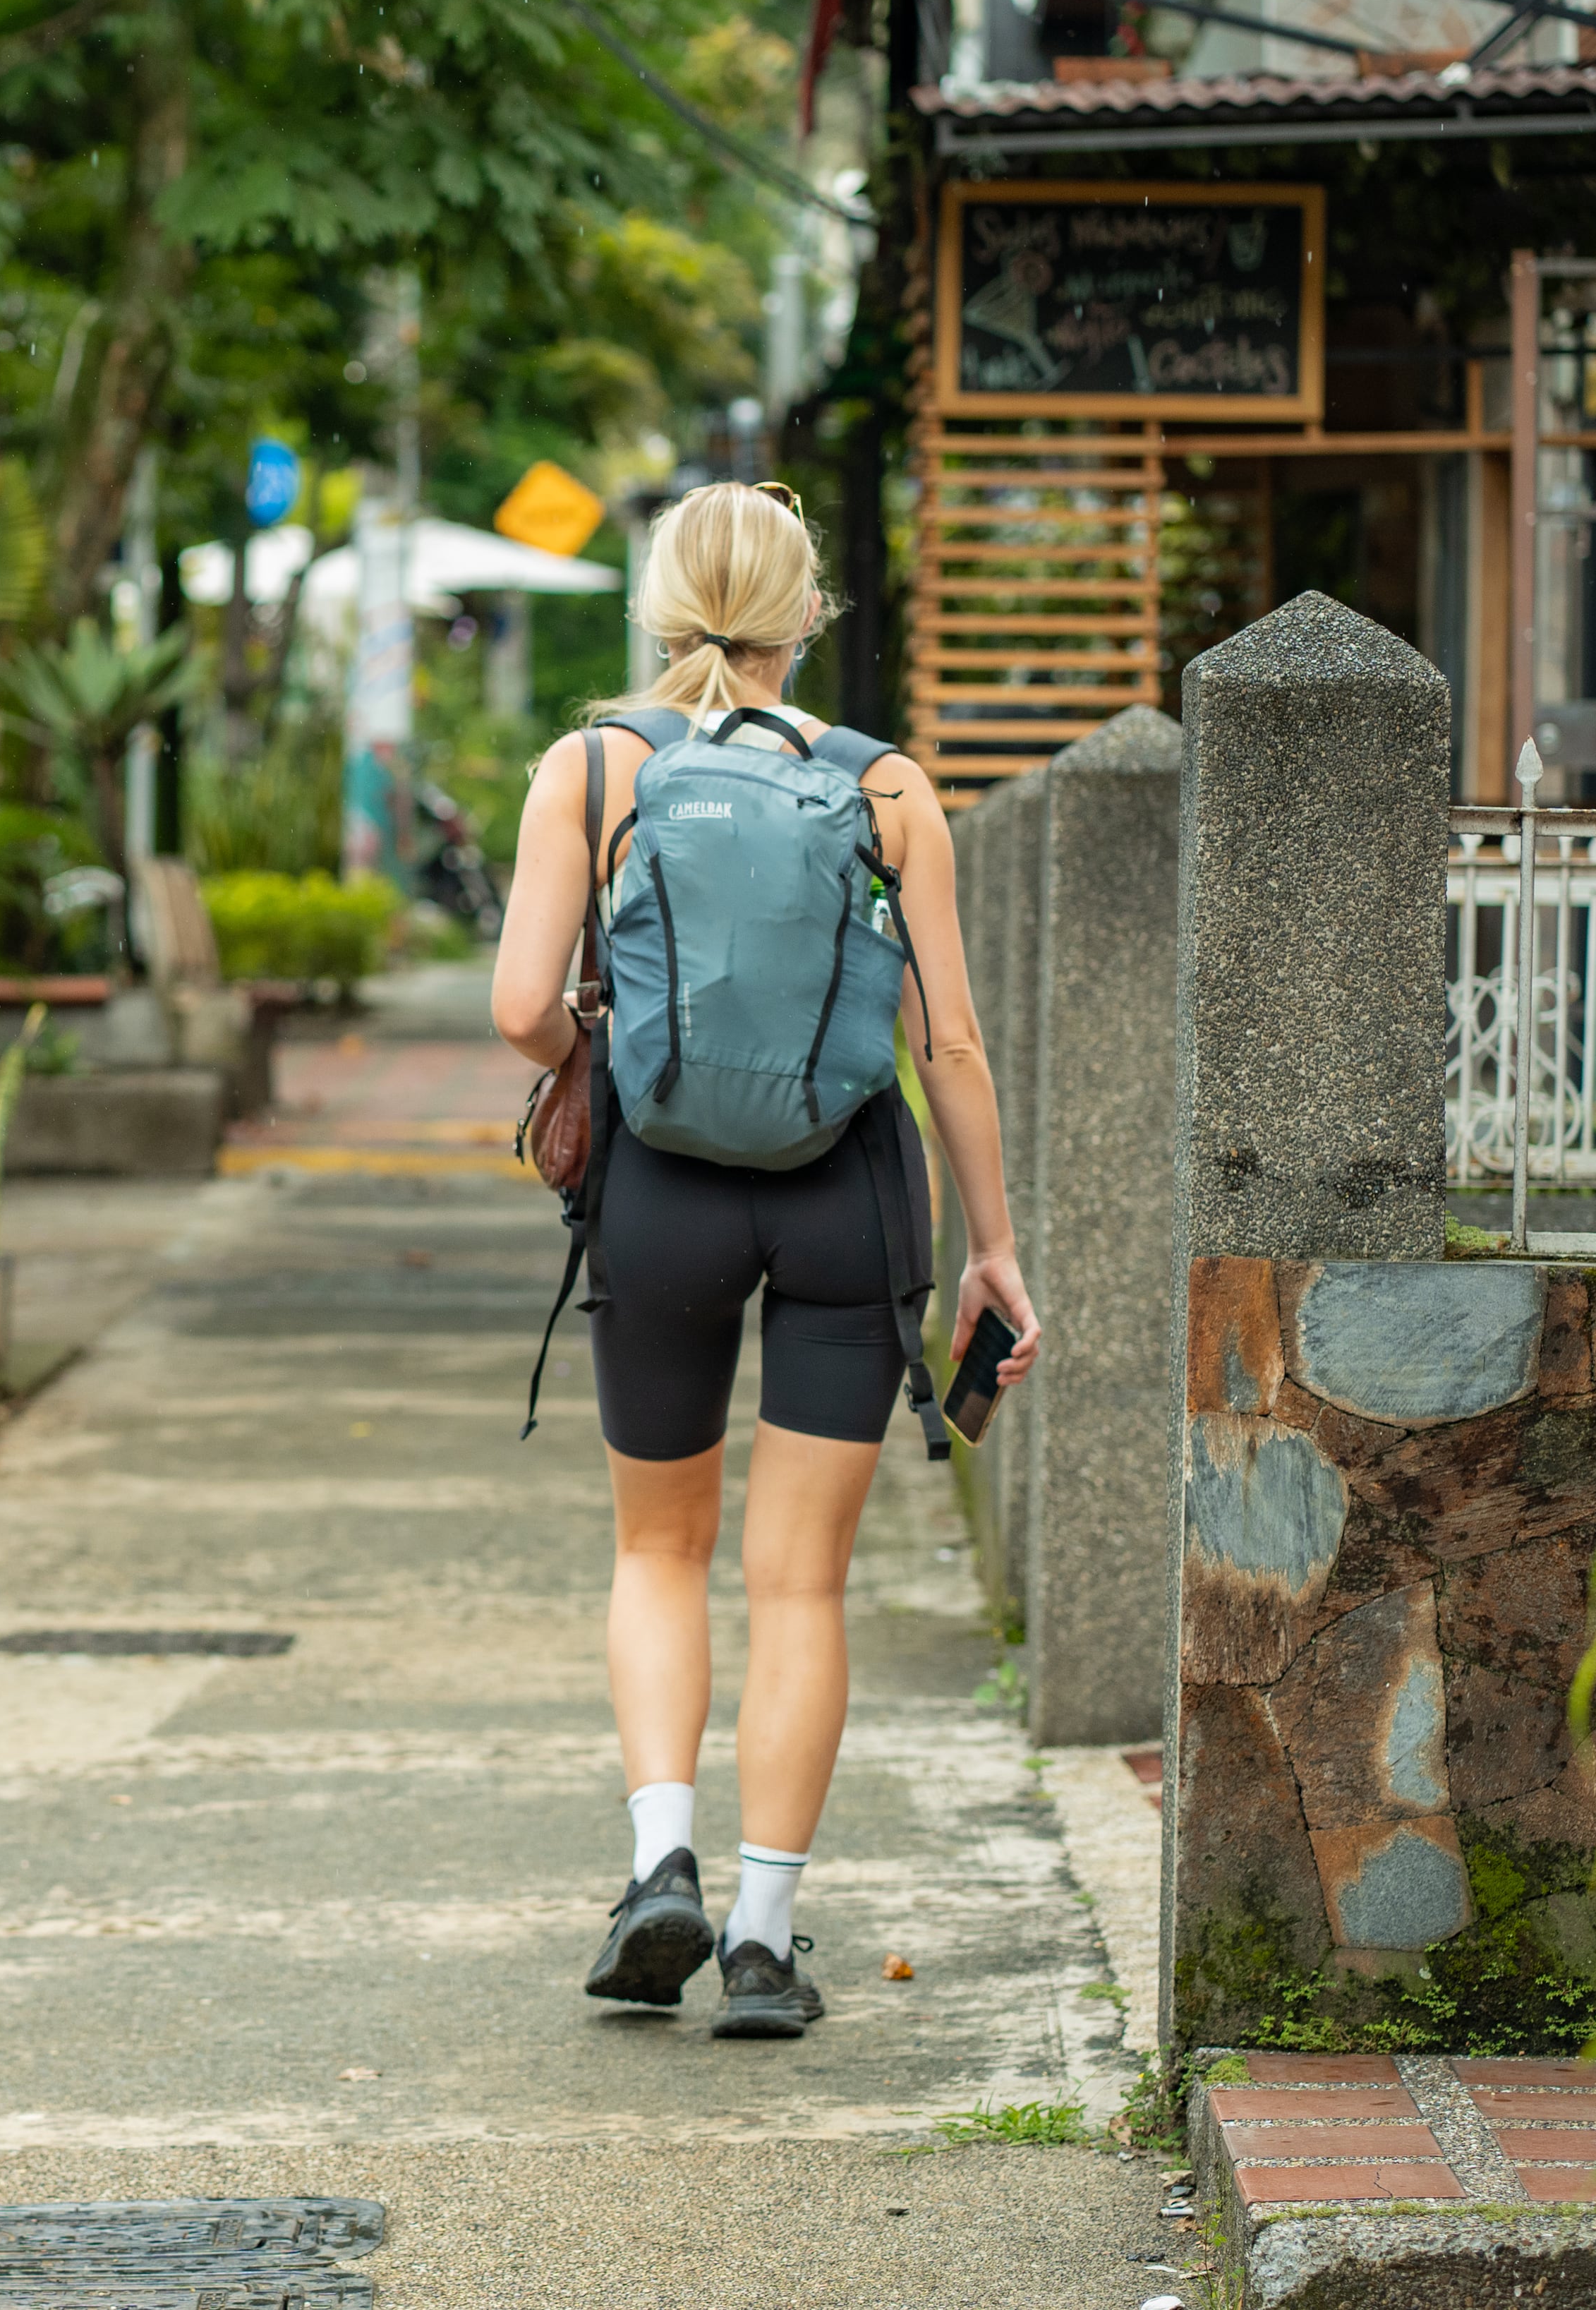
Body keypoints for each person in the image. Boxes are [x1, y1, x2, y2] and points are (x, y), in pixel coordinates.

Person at [486, 481, 1038, 2040]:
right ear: (809, 617)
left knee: (656, 1548)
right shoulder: (889, 790)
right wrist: (991, 1246)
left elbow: (524, 1009)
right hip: (847, 1197)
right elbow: (949, 1042)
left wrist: (613, 1029)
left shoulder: (588, 769)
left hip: (660, 1189)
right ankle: (761, 1934)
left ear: (659, 609)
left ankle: (657, 1857)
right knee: (800, 1579)